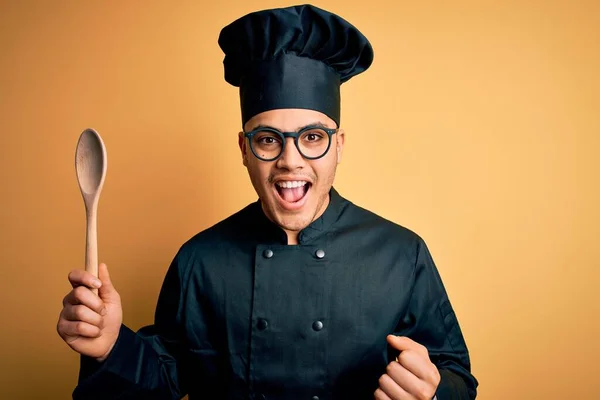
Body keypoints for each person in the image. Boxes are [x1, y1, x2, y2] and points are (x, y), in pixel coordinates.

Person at [57, 4, 478, 399]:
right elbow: (164, 377)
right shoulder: (199, 260)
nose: (290, 160)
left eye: (312, 137)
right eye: (268, 139)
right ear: (243, 148)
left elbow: (457, 375)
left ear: (339, 146)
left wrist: (435, 389)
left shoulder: (402, 255)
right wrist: (111, 347)